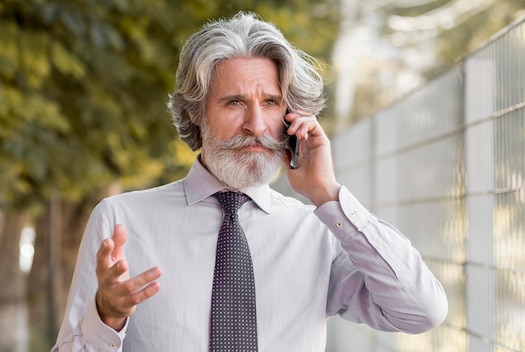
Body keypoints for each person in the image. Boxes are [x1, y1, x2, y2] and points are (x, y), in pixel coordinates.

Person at [52, 12, 447, 352]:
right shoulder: (121, 219)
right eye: (234, 102)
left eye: (271, 103)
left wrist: (326, 194)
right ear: (195, 113)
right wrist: (106, 315)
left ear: (292, 118)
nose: (256, 126)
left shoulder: (320, 230)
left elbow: (421, 311)